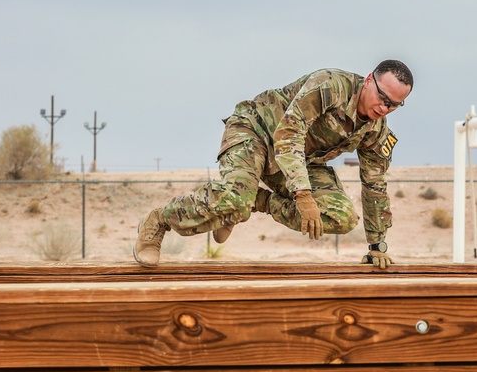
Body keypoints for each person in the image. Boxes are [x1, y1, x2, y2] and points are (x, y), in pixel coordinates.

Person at [133, 61, 413, 268]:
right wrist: (302, 194)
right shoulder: (329, 86)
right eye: (382, 97)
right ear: (368, 81)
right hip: (257, 132)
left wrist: (377, 245)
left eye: (394, 105)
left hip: (299, 162)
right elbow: (288, 134)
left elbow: (375, 185)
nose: (384, 107)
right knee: (234, 198)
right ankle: (159, 220)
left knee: (342, 216)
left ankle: (256, 201)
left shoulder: (376, 132)